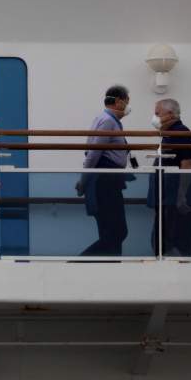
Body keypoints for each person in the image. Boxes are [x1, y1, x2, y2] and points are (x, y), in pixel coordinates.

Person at [76, 84, 133, 256]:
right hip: (105, 180)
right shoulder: (108, 121)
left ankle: (110, 267)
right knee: (117, 231)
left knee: (111, 232)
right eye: (127, 101)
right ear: (118, 102)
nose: (129, 106)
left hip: (108, 179)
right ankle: (76, 264)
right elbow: (93, 153)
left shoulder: (106, 120)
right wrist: (83, 180)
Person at [146, 98, 191, 257]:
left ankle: (178, 279)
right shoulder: (169, 135)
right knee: (162, 244)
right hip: (167, 201)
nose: (154, 117)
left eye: (157, 113)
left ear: (170, 114)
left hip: (176, 202)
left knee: (174, 247)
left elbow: (187, 164)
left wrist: (181, 196)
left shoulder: (181, 133)